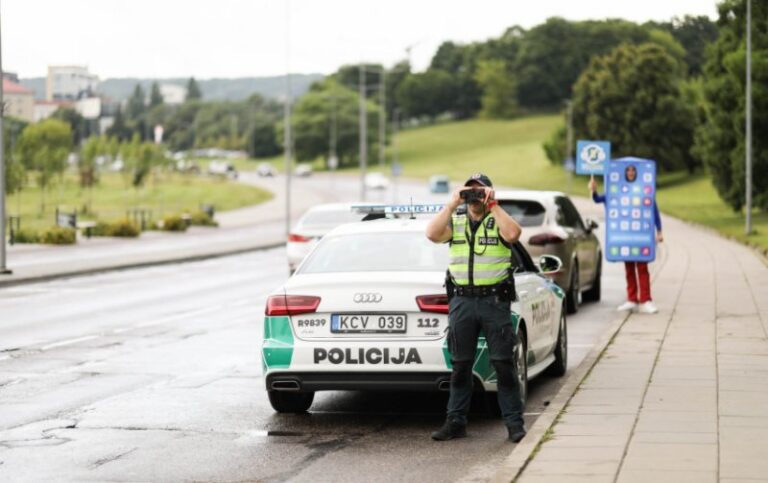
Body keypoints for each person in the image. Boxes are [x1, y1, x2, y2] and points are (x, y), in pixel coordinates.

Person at [425, 173, 526, 443]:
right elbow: (432, 234)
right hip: (462, 302)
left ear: (489, 193)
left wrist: (494, 205)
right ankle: (455, 421)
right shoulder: (456, 222)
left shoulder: (497, 220)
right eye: (470, 191)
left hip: (494, 302)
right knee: (460, 366)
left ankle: (514, 423)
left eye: (480, 191)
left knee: (503, 364)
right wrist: (450, 204)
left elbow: (514, 234)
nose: (475, 196)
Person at [589, 174, 663, 314]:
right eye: (627, 170)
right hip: (626, 237)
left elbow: (654, 210)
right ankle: (632, 299)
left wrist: (659, 231)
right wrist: (593, 190)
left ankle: (646, 300)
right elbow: (599, 199)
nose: (630, 173)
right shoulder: (616, 191)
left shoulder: (643, 192)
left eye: (632, 170)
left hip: (641, 236)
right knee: (629, 268)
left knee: (642, 268)